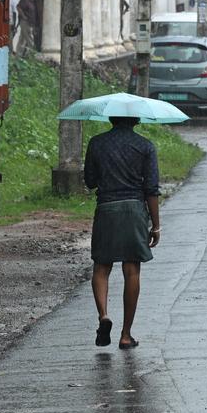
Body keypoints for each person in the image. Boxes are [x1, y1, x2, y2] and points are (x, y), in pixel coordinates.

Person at [83, 116, 162, 350]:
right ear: (136, 119)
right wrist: (155, 225)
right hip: (134, 211)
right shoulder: (145, 146)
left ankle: (104, 316)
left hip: (106, 209)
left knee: (101, 267)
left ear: (110, 118)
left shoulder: (96, 143)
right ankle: (126, 335)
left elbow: (90, 181)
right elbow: (152, 189)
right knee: (131, 270)